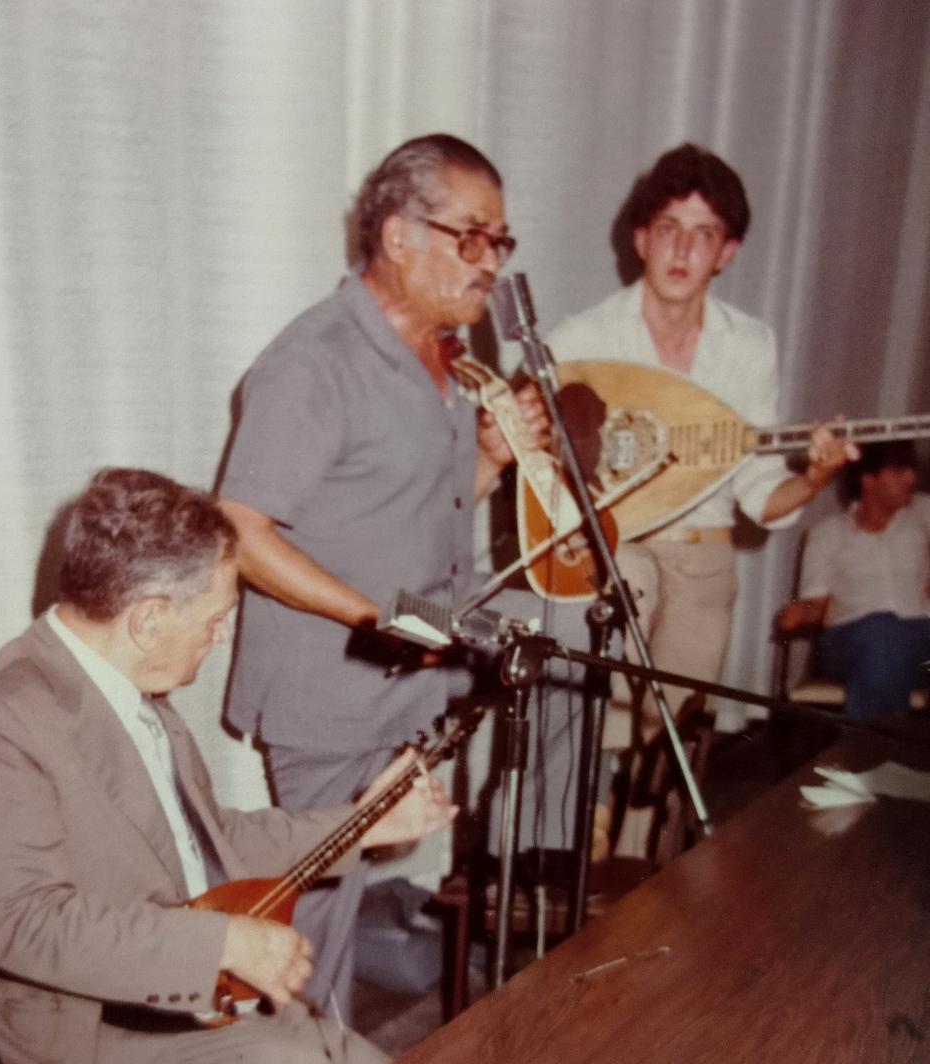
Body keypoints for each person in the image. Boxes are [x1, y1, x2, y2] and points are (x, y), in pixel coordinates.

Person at [0, 468, 456, 1064]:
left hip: (174, 1001)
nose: (222, 635)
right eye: (217, 617)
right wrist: (224, 945)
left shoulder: (132, 693)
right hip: (77, 1035)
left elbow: (212, 839)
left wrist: (366, 825)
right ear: (149, 619)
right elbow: (26, 924)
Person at [218, 134, 588, 1018]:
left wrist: (492, 459)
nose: (490, 262)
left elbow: (413, 505)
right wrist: (370, 618)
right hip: (332, 683)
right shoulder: (313, 362)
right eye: (471, 236)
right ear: (397, 237)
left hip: (418, 650)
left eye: (500, 241)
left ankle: (535, 878)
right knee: (314, 935)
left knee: (573, 631)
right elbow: (238, 532)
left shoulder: (444, 360)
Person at [544, 143, 855, 853]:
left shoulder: (749, 347)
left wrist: (814, 477)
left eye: (704, 234)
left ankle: (638, 878)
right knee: (611, 695)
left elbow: (758, 492)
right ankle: (582, 830)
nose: (683, 250)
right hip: (618, 552)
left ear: (728, 252)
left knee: (671, 746)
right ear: (641, 238)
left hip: (705, 561)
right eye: (669, 229)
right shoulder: (582, 339)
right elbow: (532, 457)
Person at [776, 441, 930, 719]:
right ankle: (880, 741)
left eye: (912, 469)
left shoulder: (924, 515)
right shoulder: (827, 534)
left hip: (920, 639)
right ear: (868, 480)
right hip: (848, 640)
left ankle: (869, 743)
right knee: (882, 632)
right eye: (899, 470)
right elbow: (816, 606)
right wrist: (799, 613)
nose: (912, 478)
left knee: (887, 641)